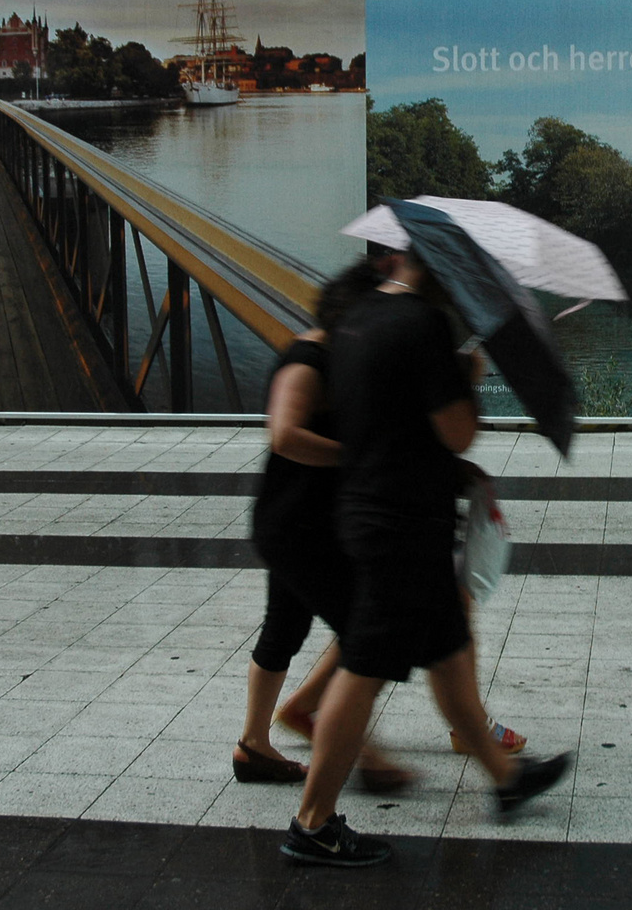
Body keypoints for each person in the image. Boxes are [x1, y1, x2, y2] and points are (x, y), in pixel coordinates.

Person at [280, 251, 569, 868]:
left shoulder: (357, 319)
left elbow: (381, 415)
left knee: (447, 646)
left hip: (371, 507)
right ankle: (313, 822)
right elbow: (458, 432)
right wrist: (469, 374)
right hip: (402, 521)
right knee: (364, 666)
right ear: (440, 267)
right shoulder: (423, 326)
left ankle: (505, 776)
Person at [233, 261, 409, 790]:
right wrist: (355, 457)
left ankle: (253, 746)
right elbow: (284, 435)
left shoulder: (343, 358)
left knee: (285, 628)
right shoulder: (307, 360)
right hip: (295, 524)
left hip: (303, 522)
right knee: (364, 632)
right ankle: (364, 755)